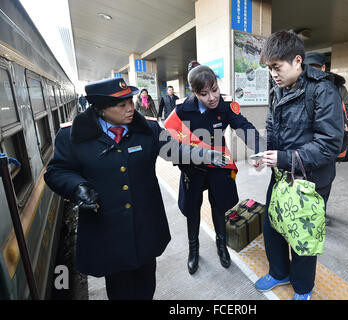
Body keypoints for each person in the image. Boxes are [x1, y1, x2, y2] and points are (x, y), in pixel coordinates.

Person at [44, 77, 226, 300]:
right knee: (120, 288)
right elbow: (56, 172)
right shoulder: (72, 137)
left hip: (145, 226)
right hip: (108, 231)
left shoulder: (147, 129)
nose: (131, 108)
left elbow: (173, 149)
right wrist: (77, 187)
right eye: (122, 105)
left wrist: (205, 155)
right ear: (101, 109)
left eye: (130, 100)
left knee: (146, 282)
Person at [252, 30, 344, 300]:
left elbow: (329, 144)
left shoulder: (323, 89)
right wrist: (266, 155)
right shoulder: (277, 89)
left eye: (276, 67)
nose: (273, 74)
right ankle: (279, 272)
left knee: (303, 237)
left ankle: (303, 288)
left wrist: (283, 158)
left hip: (311, 180)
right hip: (281, 174)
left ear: (297, 61)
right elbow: (271, 125)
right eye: (269, 69)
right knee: (273, 225)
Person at [164, 61, 264, 275]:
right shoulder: (182, 109)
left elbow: (243, 126)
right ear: (194, 93)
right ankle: (194, 250)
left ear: (218, 85)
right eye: (204, 94)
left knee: (220, 207)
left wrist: (259, 148)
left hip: (219, 167)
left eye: (214, 90)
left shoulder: (225, 105)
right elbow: (169, 140)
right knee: (192, 210)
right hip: (194, 169)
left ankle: (221, 245)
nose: (211, 98)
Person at [304, 51, 348, 226]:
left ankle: (317, 215)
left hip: (322, 143)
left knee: (321, 179)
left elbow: (347, 110)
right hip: (318, 144)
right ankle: (315, 215)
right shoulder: (334, 87)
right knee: (318, 180)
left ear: (323, 68)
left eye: (315, 68)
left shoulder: (335, 86)